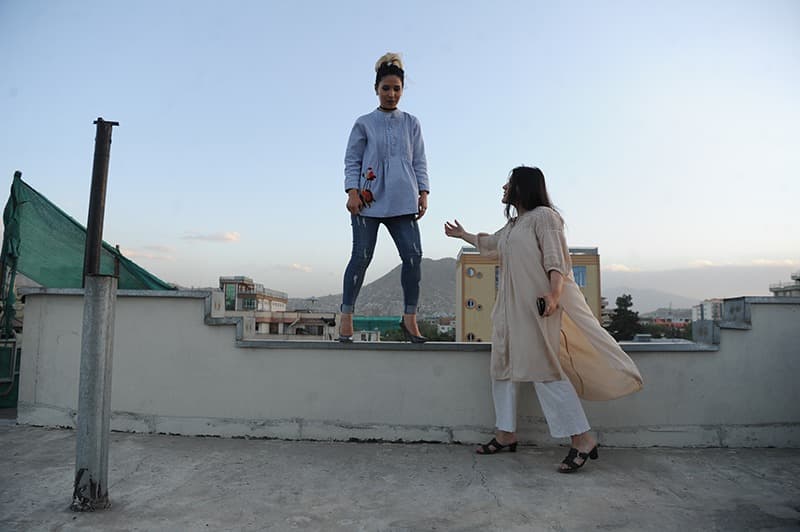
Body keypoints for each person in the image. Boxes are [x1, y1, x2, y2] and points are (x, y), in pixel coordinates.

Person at [444, 166, 643, 472]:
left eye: (508, 183)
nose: (503, 188)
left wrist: (553, 296)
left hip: (538, 309)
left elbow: (557, 262)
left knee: (544, 371)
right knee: (502, 369)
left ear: (522, 187)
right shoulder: (513, 226)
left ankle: (582, 439)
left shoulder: (544, 218)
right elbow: (490, 246)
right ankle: (505, 434)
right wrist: (463, 234)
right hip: (509, 312)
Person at [338, 52, 430, 344]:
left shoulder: (412, 123)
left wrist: (424, 192)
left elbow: (420, 161)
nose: (391, 94)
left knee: (413, 257)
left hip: (404, 198)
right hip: (368, 199)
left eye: (397, 88)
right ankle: (346, 316)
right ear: (376, 89)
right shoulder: (364, 123)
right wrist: (352, 191)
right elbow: (352, 159)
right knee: (361, 256)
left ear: (403, 90)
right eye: (386, 88)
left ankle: (410, 318)